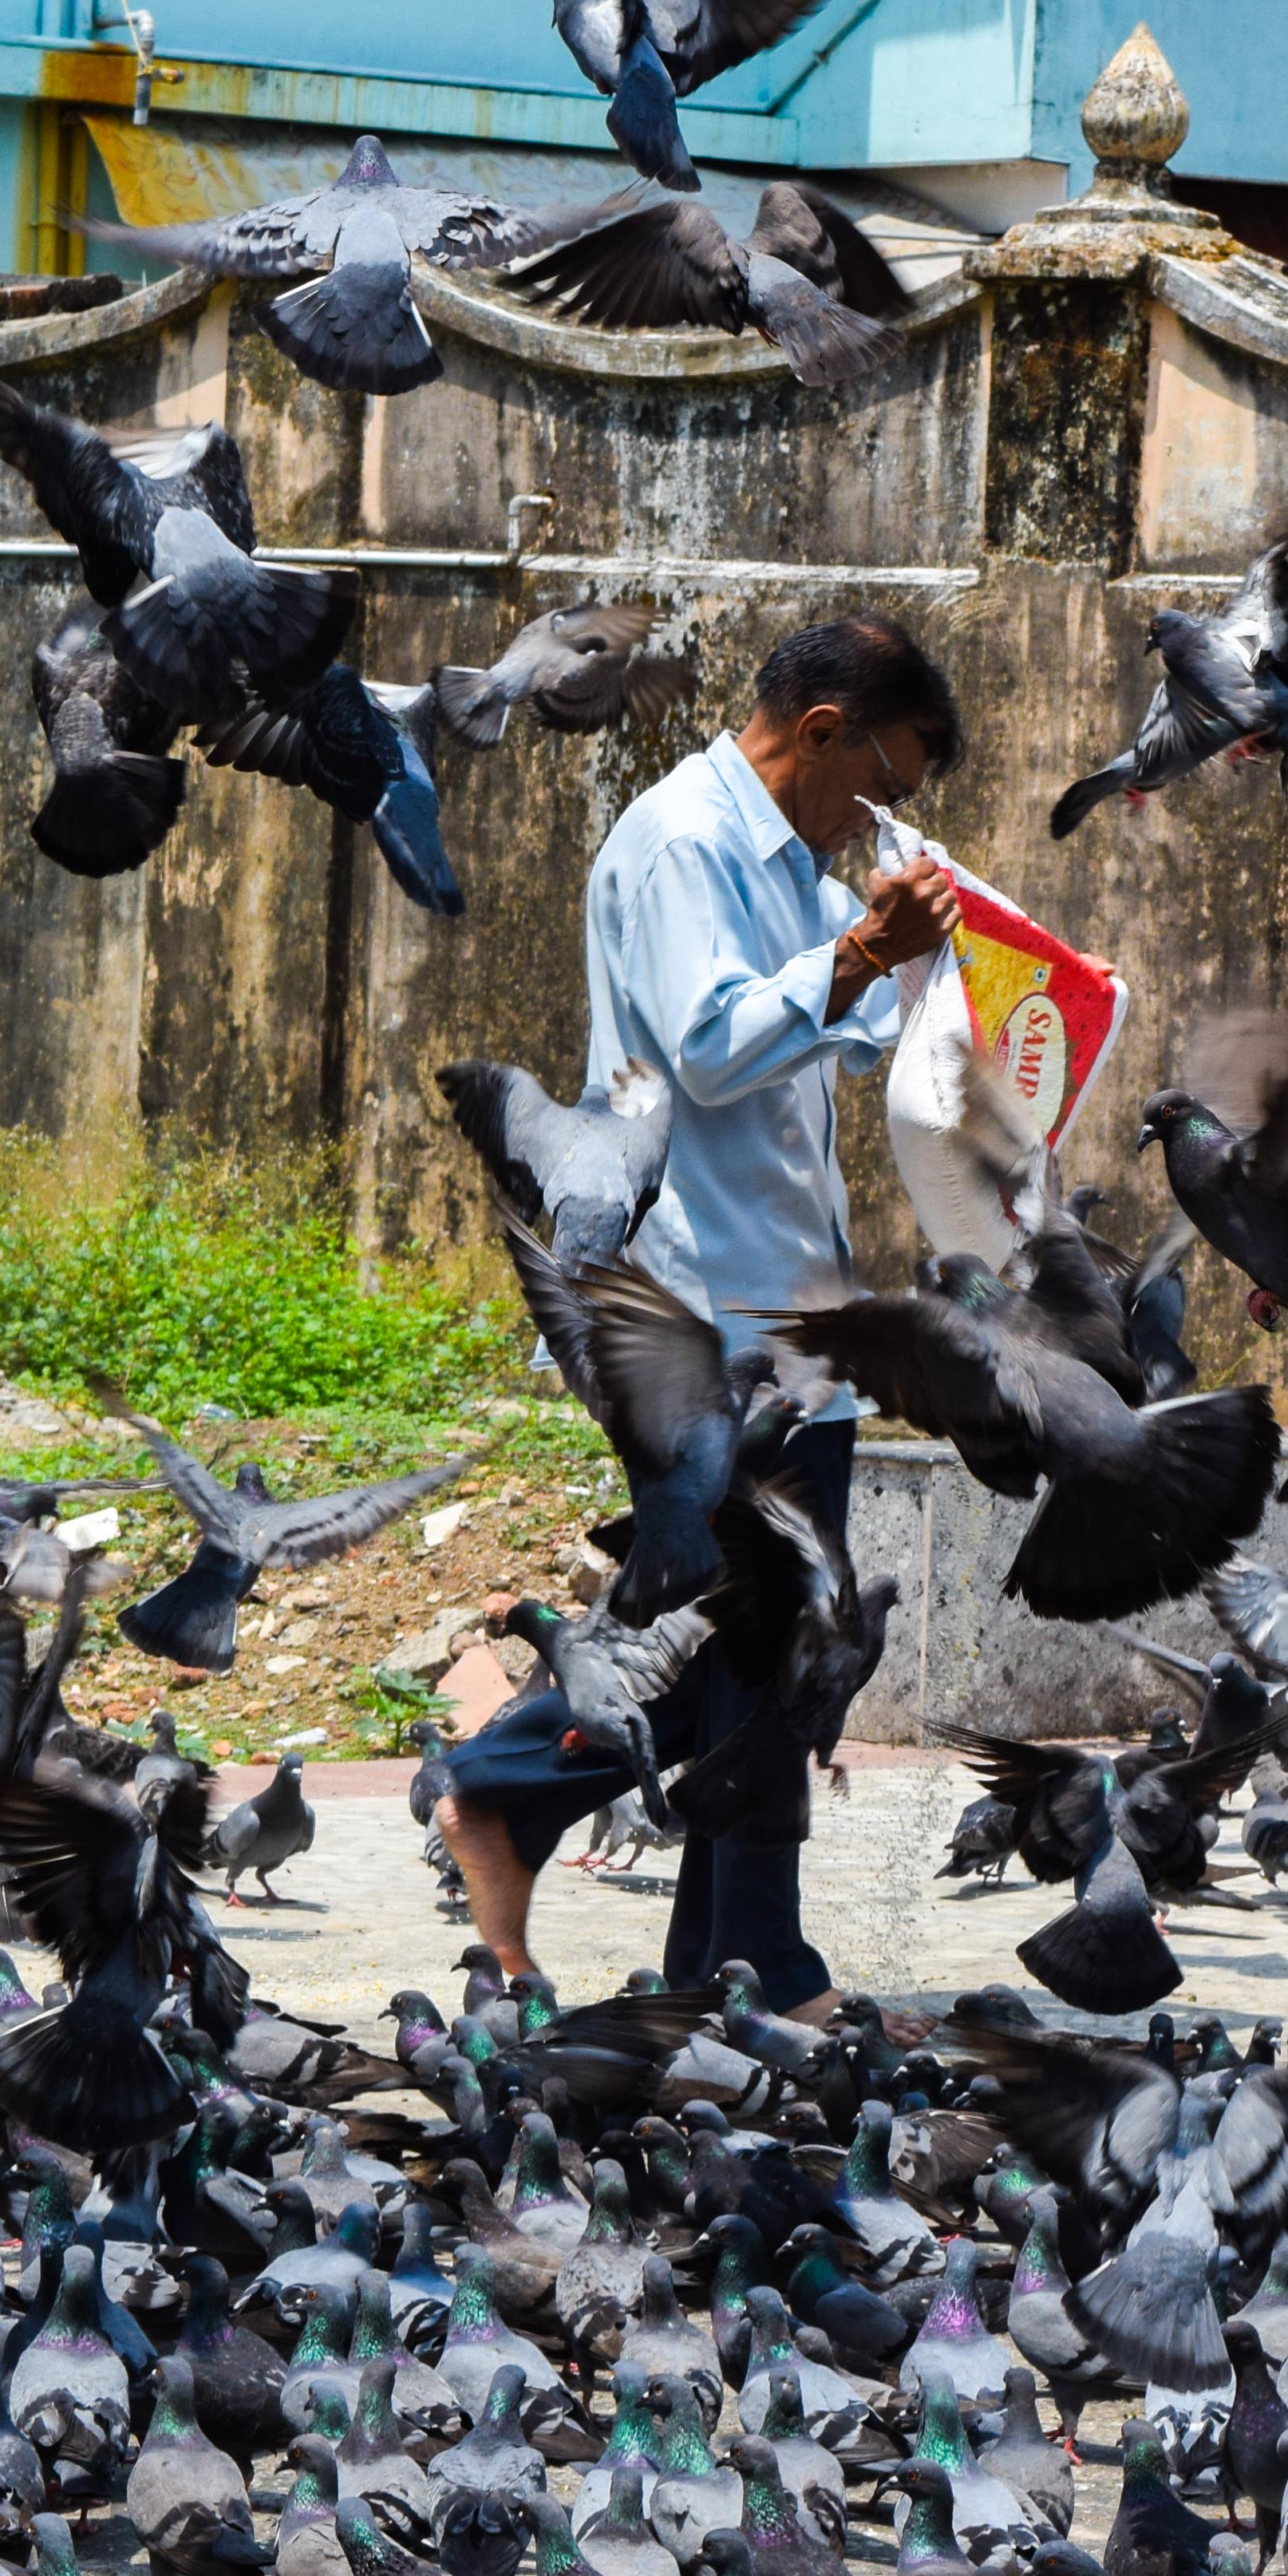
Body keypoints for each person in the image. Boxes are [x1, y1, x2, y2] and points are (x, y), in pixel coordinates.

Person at [436, 609, 970, 2008]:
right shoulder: (682, 842)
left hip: (786, 1301)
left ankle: (727, 1963)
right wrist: (856, 958)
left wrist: (915, 980)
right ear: (822, 732)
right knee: (765, 1638)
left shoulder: (787, 859)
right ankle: (513, 1793)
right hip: (705, 1318)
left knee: (764, 1650)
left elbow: (806, 1040)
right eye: (885, 786)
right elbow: (713, 1050)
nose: (884, 820)